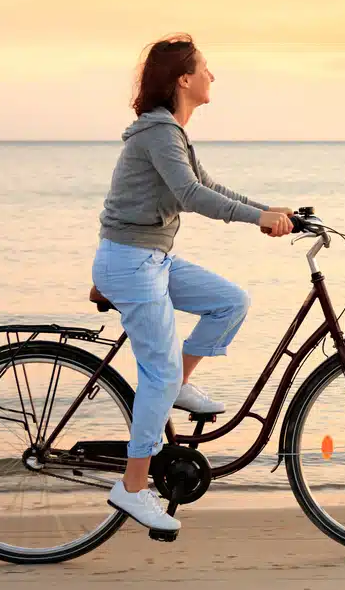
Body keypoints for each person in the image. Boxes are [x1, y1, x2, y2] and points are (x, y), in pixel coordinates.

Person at [92, 34, 294, 532]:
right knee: (156, 377)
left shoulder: (171, 132)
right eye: (205, 69)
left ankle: (176, 384)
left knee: (230, 302)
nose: (212, 77)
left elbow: (208, 185)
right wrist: (255, 219)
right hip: (131, 263)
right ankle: (132, 487)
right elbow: (189, 195)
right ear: (184, 79)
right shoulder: (159, 133)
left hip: (150, 259)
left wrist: (269, 210)